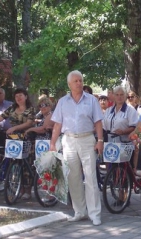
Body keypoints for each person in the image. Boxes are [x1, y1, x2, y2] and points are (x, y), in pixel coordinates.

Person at [49, 70, 103, 226]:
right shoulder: (62, 102)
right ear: (69, 84)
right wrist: (53, 143)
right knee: (73, 177)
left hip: (87, 139)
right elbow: (57, 124)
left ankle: (94, 213)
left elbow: (98, 121)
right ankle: (79, 211)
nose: (79, 83)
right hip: (69, 140)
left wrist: (100, 140)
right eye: (76, 81)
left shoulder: (91, 100)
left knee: (90, 177)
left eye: (81, 80)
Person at [0, 88, 35, 199]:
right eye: (16, 96)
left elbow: (29, 123)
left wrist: (15, 127)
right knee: (13, 163)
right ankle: (19, 189)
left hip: (26, 138)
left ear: (25, 96)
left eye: (20, 95)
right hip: (13, 138)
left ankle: (28, 191)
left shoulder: (31, 109)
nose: (18, 98)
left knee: (26, 165)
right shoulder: (12, 108)